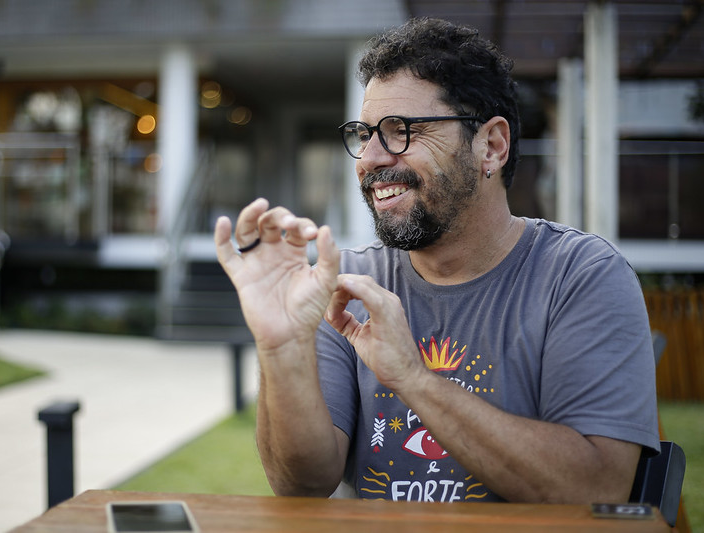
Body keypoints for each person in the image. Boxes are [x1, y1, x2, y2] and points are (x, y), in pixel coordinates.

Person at [214, 17, 660, 504]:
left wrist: (413, 377)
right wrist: (280, 347)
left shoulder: (579, 277)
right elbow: (300, 483)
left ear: (491, 146)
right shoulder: (348, 285)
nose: (371, 158)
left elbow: (597, 488)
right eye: (365, 134)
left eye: (402, 130)